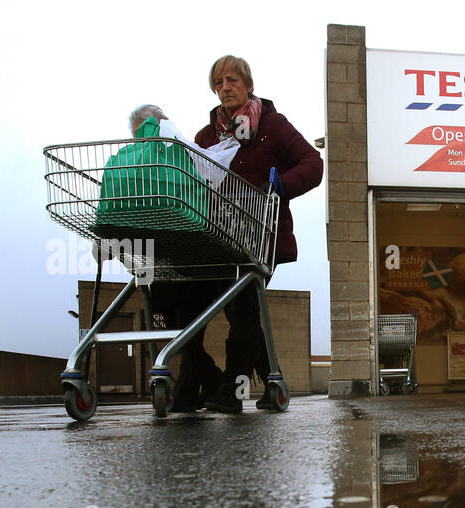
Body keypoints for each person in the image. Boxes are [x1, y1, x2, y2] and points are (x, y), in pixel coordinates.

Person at [194, 55, 323, 412]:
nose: (225, 88)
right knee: (240, 313)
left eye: (232, 80)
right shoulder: (206, 136)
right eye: (219, 83)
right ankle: (272, 383)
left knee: (244, 308)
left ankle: (231, 392)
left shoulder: (272, 125)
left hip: (262, 235)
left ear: (249, 85)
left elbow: (313, 164)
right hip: (221, 235)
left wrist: (281, 185)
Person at [119, 104, 224, 413]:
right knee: (177, 329)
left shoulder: (178, 157)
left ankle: (201, 384)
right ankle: (198, 385)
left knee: (185, 329)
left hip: (188, 260)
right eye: (140, 135)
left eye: (148, 130)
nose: (145, 139)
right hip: (164, 262)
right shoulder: (144, 166)